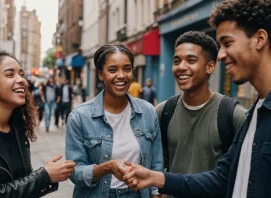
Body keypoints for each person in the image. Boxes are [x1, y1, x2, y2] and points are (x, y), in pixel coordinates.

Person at [121, 1, 271, 198]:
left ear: (259, 39)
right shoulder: (255, 114)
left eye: (227, 43)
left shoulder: (236, 114)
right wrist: (155, 178)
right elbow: (221, 178)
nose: (221, 55)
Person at [0, 51, 75, 197]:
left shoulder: (17, 128)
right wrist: (45, 176)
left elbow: (22, 183)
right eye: (10, 75)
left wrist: (49, 174)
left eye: (21, 74)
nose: (22, 80)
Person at [155, 31, 247, 198]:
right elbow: (156, 165)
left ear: (210, 66)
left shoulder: (234, 115)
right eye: (177, 61)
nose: (181, 67)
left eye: (191, 60)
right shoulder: (164, 112)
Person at [65, 44, 163, 198]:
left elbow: (156, 165)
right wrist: (107, 167)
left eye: (127, 69)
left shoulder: (148, 112)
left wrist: (156, 195)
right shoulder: (80, 117)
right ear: (100, 74)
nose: (121, 75)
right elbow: (75, 172)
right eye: (112, 70)